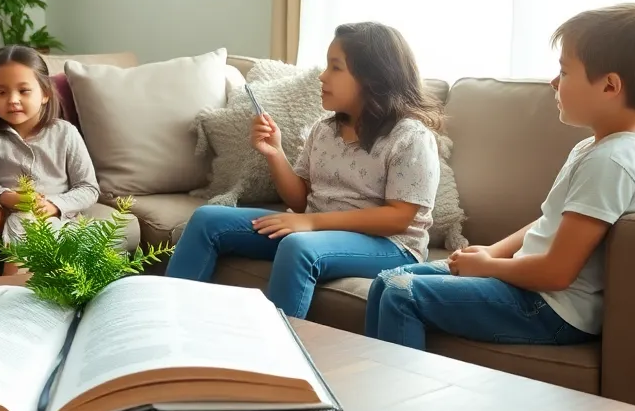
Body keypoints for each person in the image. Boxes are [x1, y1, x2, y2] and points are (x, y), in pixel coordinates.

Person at [366, 2, 635, 349]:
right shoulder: (599, 148)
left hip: (550, 309)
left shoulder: (614, 162)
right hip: (530, 288)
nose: (554, 82)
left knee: (399, 292)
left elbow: (557, 272)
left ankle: (398, 397)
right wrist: (493, 252)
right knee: (387, 280)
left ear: (610, 86)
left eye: (565, 72)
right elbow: (549, 221)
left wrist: (489, 267)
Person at [165, 22, 442, 319]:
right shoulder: (325, 130)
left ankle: (274, 357)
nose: (322, 76)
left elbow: (398, 217)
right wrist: (275, 152)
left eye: (335, 67)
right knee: (208, 219)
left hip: (390, 245)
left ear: (373, 78)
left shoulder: (410, 137)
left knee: (299, 246)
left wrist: (312, 222)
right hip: (319, 229)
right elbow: (300, 200)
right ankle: (167, 322)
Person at [0, 46, 100, 283]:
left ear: (44, 94)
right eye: (1, 92)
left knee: (30, 226)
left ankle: (12, 291)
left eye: (23, 91)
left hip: (46, 214)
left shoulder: (65, 133)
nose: (12, 100)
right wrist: (7, 197)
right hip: (2, 210)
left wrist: (54, 204)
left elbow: (89, 188)